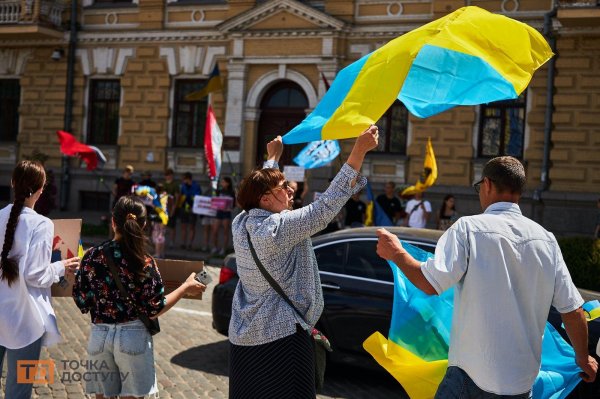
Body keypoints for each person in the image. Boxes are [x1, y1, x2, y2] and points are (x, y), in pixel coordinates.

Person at [376, 156, 597, 398]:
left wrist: (396, 253)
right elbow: (573, 310)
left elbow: (429, 283)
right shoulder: (547, 239)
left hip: (469, 379)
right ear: (519, 191)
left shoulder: (467, 229)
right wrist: (583, 358)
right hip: (520, 384)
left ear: (487, 184)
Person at [229, 126, 378, 399]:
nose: (290, 190)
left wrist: (271, 160)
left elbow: (258, 193)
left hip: (245, 340)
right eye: (283, 187)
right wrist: (358, 151)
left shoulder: (242, 222)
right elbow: (323, 210)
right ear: (265, 199)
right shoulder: (277, 227)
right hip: (283, 339)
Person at [72, 195, 206, 399]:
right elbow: (154, 309)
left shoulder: (91, 257)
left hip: (99, 336)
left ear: (113, 222)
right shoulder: (144, 262)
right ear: (143, 226)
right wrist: (185, 287)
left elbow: (82, 300)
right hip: (132, 338)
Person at [0, 160, 79, 399]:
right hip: (26, 320)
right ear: (41, 189)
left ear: (13, 183)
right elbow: (36, 275)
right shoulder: (42, 224)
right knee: (18, 391)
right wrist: (60, 266)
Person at [211, 177, 235, 256]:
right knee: (215, 231)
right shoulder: (219, 191)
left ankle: (223, 249)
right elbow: (214, 200)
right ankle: (215, 247)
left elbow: (233, 204)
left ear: (228, 183)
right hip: (219, 212)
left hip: (226, 213)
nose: (222, 183)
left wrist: (229, 208)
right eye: (222, 182)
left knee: (225, 231)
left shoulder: (231, 192)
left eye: (224, 182)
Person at [178, 172, 201, 249]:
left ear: (188, 179)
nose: (183, 181)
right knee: (183, 226)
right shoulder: (183, 186)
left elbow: (197, 196)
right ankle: (183, 243)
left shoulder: (196, 186)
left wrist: (189, 197)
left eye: (184, 179)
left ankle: (190, 244)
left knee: (192, 227)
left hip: (192, 209)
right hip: (184, 208)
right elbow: (181, 195)